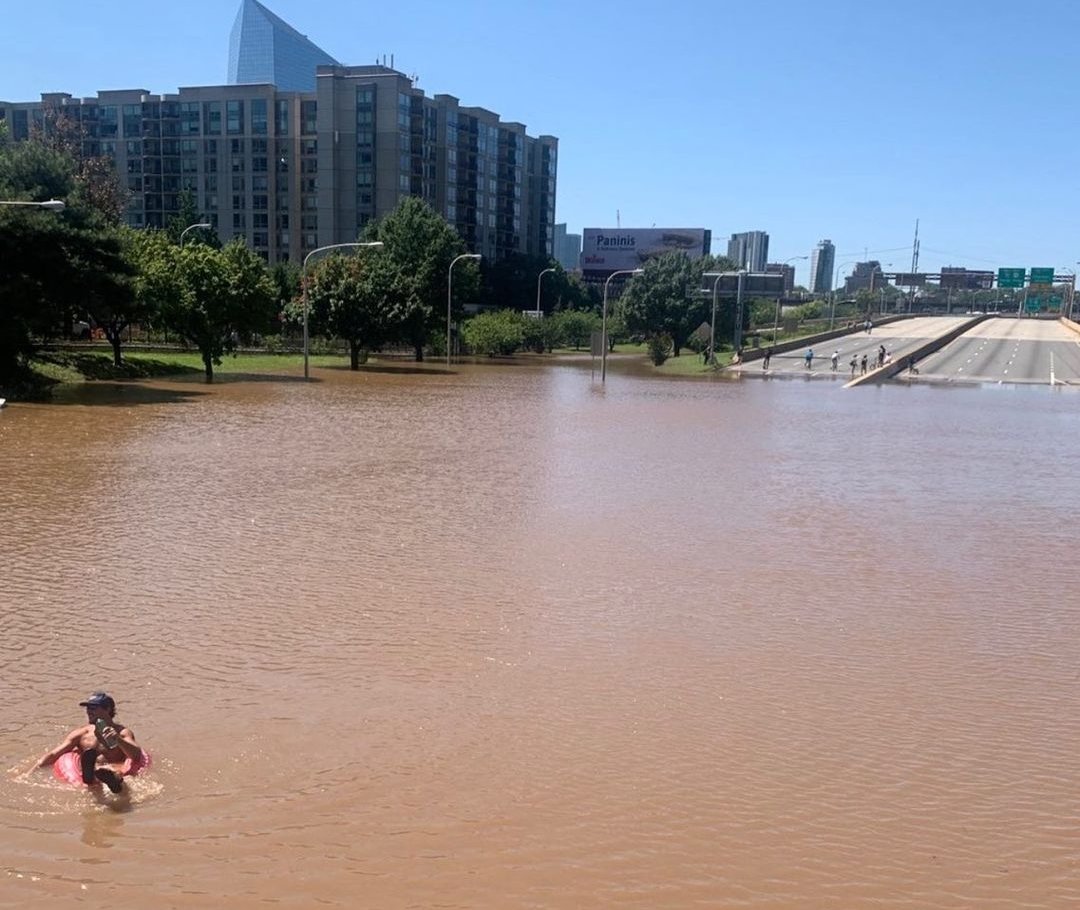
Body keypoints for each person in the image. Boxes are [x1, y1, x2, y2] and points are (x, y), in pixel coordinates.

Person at [35, 692, 145, 794]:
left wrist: (118, 739)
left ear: (107, 709)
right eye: (87, 708)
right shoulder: (82, 734)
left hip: (116, 769)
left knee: (115, 771)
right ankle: (92, 776)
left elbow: (136, 755)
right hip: (93, 771)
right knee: (92, 770)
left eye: (93, 708)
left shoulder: (122, 732)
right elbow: (54, 754)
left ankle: (113, 781)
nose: (88, 711)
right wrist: (33, 769)